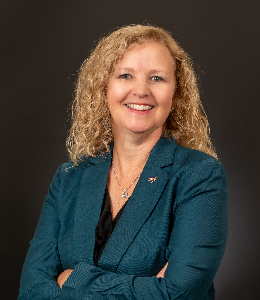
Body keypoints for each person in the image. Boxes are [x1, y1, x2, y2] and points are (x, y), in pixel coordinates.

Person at [18, 25, 228, 300]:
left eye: (157, 78)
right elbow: (31, 290)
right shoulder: (69, 177)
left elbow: (178, 293)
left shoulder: (199, 176)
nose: (140, 90)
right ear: (103, 87)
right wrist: (149, 288)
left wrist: (73, 278)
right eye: (125, 75)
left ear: (176, 94)